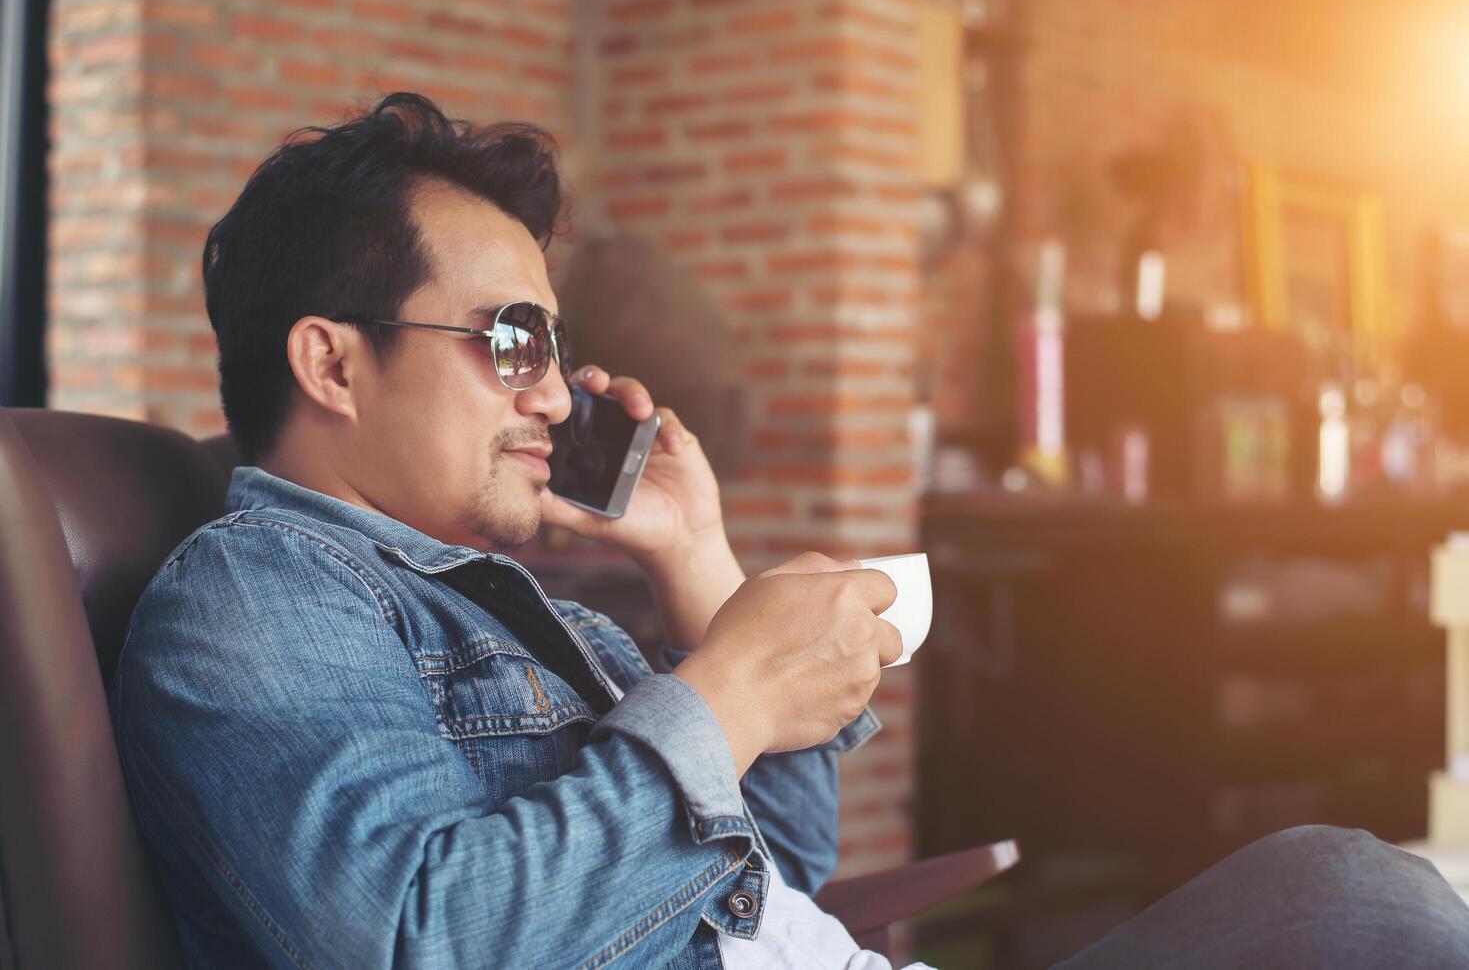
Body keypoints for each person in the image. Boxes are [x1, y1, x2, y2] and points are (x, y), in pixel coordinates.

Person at [111, 93, 1469, 970]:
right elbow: (416, 943)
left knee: (1339, 886)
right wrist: (725, 692)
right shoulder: (255, 598)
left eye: (554, 345)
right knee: (1363, 910)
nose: (549, 389)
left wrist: (698, 566)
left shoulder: (525, 610)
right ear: (333, 366)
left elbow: (776, 874)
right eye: (509, 339)